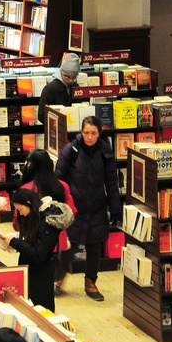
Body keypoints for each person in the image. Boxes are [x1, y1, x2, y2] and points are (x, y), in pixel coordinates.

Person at [55, 115, 122, 301]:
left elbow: (111, 182)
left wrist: (115, 208)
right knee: (70, 245)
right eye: (86, 132)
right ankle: (58, 279)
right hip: (74, 208)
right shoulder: (71, 150)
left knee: (94, 246)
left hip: (97, 207)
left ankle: (90, 282)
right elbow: (58, 178)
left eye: (93, 133)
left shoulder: (105, 152)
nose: (90, 137)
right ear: (81, 132)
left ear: (99, 133)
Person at [0, 188, 74, 312]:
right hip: (30, 272)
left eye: (21, 210)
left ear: (29, 203)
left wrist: (14, 242)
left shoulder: (47, 225)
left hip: (40, 277)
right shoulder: (34, 217)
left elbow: (38, 255)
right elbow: (31, 241)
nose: (21, 214)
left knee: (41, 312)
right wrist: (12, 244)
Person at [13, 149, 76, 296]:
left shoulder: (26, 189)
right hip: (57, 241)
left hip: (34, 240)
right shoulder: (62, 186)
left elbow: (17, 222)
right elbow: (71, 210)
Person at [36, 52, 80, 124]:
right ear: (61, 73)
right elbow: (41, 115)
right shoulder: (50, 89)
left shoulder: (76, 87)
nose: (70, 80)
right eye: (67, 77)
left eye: (74, 77)